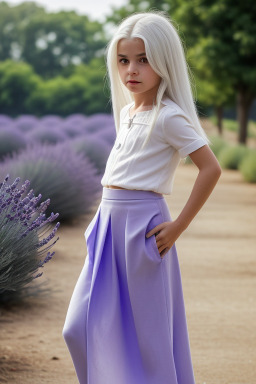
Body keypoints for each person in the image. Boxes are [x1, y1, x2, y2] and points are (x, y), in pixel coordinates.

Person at [62, 11, 221, 384]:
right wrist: (101, 220)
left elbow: (210, 168)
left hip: (143, 230)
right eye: (123, 60)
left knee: (149, 341)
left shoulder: (169, 117)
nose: (131, 69)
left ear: (164, 62)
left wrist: (178, 227)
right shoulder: (129, 111)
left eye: (143, 59)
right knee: (78, 327)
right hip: (107, 228)